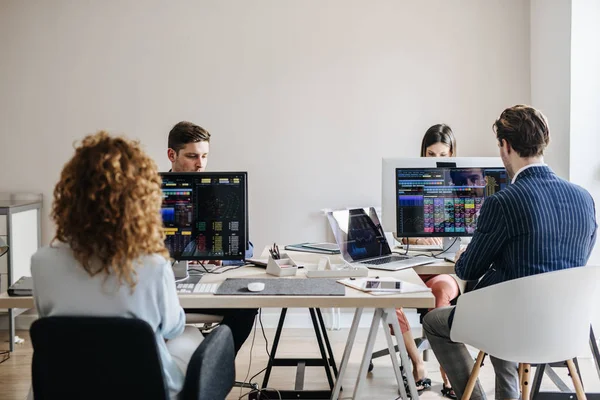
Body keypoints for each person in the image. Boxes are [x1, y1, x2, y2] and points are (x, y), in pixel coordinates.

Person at [30, 132, 233, 399]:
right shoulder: (152, 265)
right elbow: (173, 327)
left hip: (66, 386)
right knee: (192, 334)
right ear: (140, 198)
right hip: (147, 388)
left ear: (70, 195)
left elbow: (56, 329)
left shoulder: (42, 262)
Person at [423, 105, 597, 400]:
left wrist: (464, 256)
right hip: (566, 329)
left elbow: (468, 271)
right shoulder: (584, 199)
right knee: (505, 297)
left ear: (505, 146)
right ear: (544, 141)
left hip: (512, 326)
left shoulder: (503, 202)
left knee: (435, 322)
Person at [167, 121, 258, 354]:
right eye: (192, 156)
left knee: (247, 305)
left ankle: (213, 365)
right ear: (172, 155)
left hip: (206, 283)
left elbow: (246, 248)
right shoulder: (148, 193)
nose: (200, 164)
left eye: (204, 156)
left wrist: (222, 258)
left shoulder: (217, 192)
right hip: (163, 285)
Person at [394, 123, 461, 398]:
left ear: (452, 153)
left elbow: (467, 237)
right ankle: (417, 365)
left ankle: (449, 374)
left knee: (442, 290)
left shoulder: (463, 188)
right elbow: (399, 235)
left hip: (443, 271)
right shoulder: (409, 185)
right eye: (430, 153)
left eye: (442, 154)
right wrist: (416, 239)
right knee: (388, 296)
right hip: (412, 268)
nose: (435, 159)